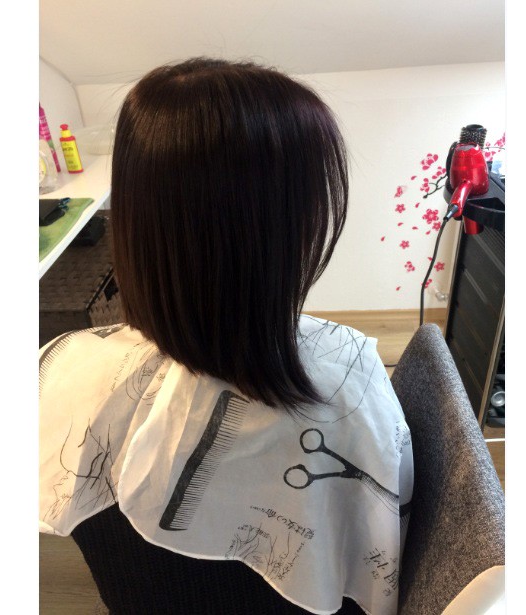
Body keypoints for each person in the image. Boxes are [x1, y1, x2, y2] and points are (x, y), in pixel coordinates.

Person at [39, 58, 413, 615]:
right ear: (289, 227)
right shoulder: (351, 391)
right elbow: (375, 562)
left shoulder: (60, 364)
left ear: (137, 216)